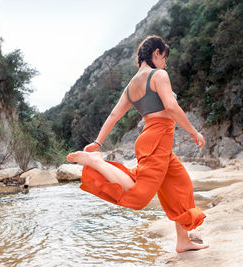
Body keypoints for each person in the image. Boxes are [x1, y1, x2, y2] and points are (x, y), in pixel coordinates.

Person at [66, 35, 209, 253]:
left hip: (151, 139)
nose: (166, 64)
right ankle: (97, 163)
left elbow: (114, 114)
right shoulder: (159, 75)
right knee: (139, 194)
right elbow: (171, 107)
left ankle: (182, 241)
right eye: (164, 58)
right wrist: (193, 131)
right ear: (157, 53)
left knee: (181, 185)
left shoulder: (131, 85)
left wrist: (98, 141)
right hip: (158, 138)